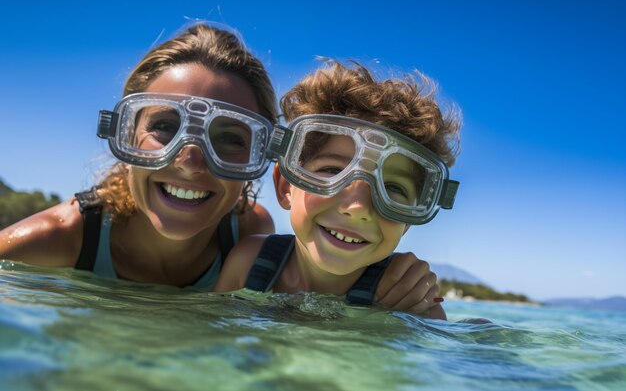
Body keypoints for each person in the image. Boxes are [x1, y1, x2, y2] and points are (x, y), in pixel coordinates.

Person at [0, 23, 440, 311]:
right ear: (127, 135)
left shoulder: (249, 234)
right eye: (165, 127)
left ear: (263, 156)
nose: (190, 160)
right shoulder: (41, 245)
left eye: (230, 138)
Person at [214, 61, 461, 319]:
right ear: (286, 186)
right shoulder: (250, 262)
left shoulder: (410, 303)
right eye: (332, 171)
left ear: (406, 220)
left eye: (392, 188)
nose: (358, 208)